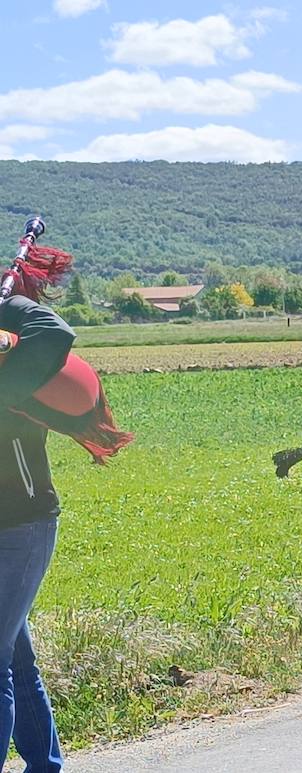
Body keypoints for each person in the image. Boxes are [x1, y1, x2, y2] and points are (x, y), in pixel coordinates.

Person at [1, 293, 76, 773]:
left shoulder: (13, 370)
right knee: (16, 659)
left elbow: (56, 333)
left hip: (23, 526)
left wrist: (5, 305)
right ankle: (46, 767)